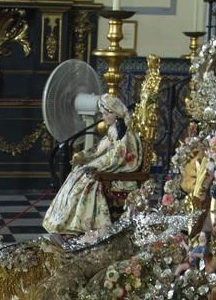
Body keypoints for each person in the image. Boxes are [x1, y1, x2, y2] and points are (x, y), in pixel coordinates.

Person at [43, 94, 144, 237]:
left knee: (88, 179)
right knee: (77, 173)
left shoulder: (125, 133)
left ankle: (81, 224)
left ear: (115, 114)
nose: (103, 117)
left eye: (106, 114)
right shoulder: (113, 129)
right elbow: (99, 149)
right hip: (107, 166)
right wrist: (83, 157)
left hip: (119, 171)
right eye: (103, 114)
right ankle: (63, 220)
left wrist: (98, 166)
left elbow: (122, 157)